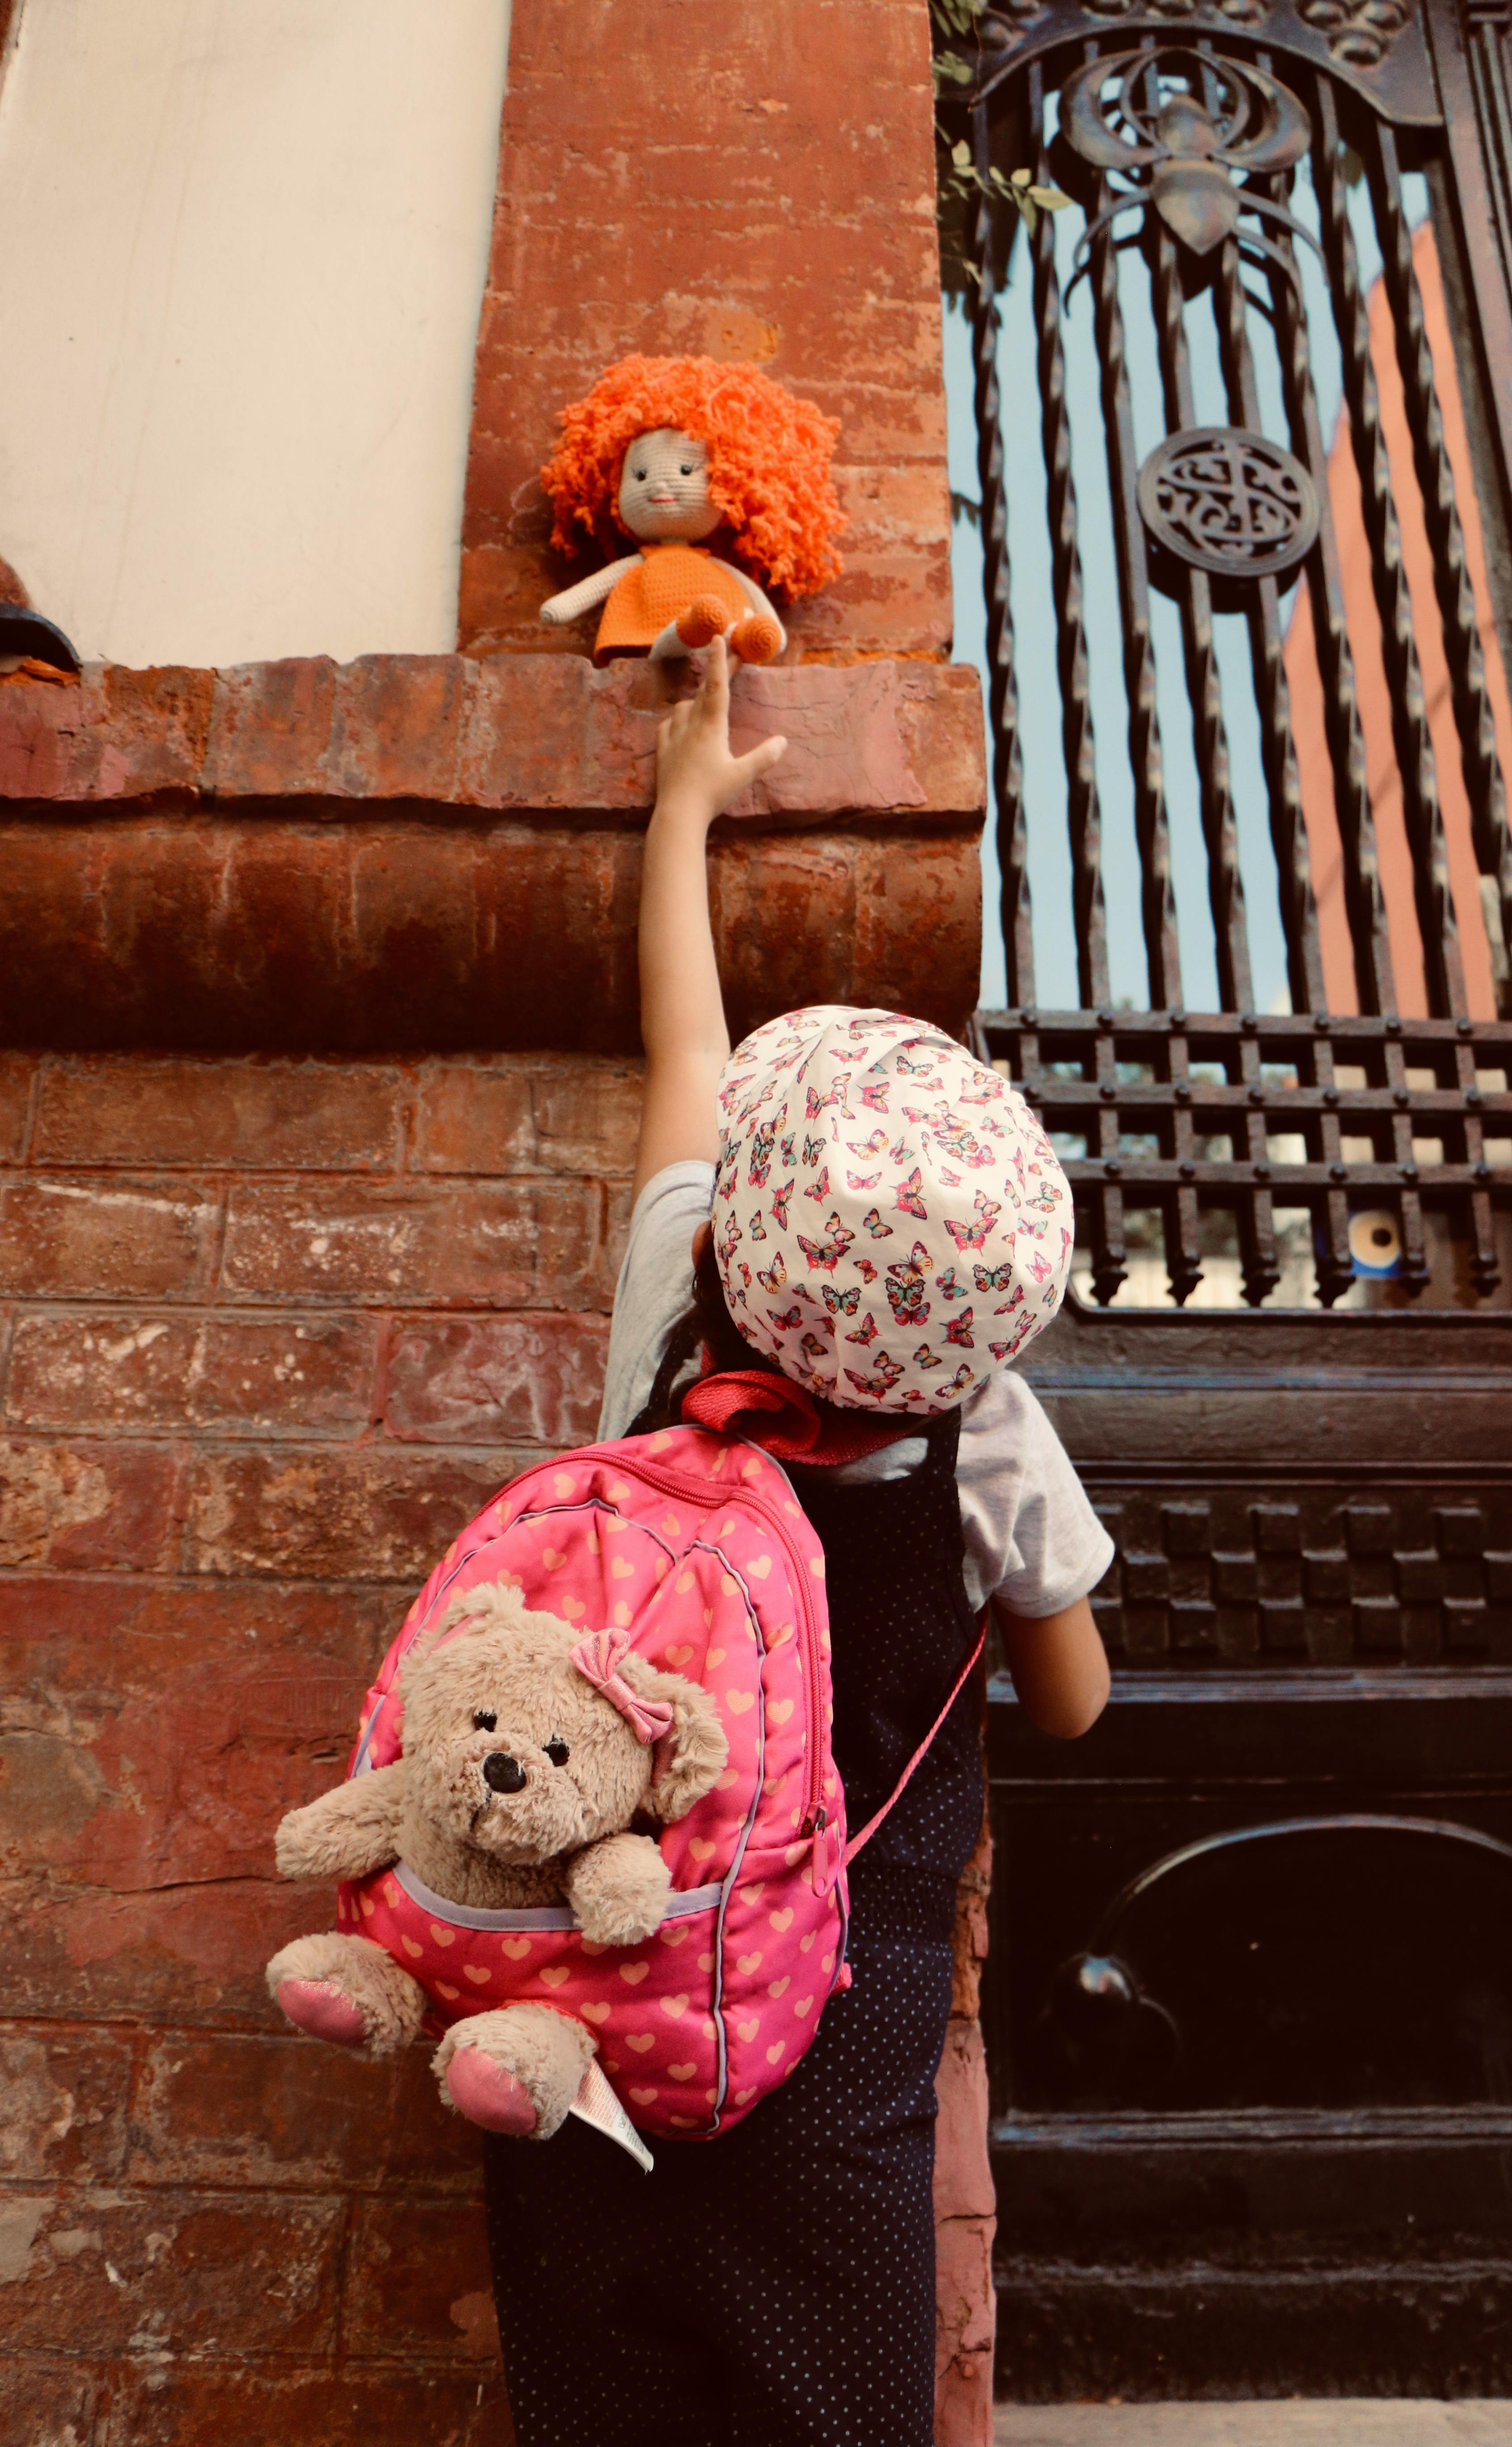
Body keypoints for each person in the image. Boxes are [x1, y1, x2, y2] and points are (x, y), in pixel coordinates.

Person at [484, 637, 1112, 2447]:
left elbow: (685, 1034)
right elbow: (1069, 1703)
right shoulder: (979, 1420)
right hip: (847, 1996)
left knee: (603, 2381)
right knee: (843, 2387)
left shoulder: (673, 1314)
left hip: (602, 1969)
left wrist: (683, 802)